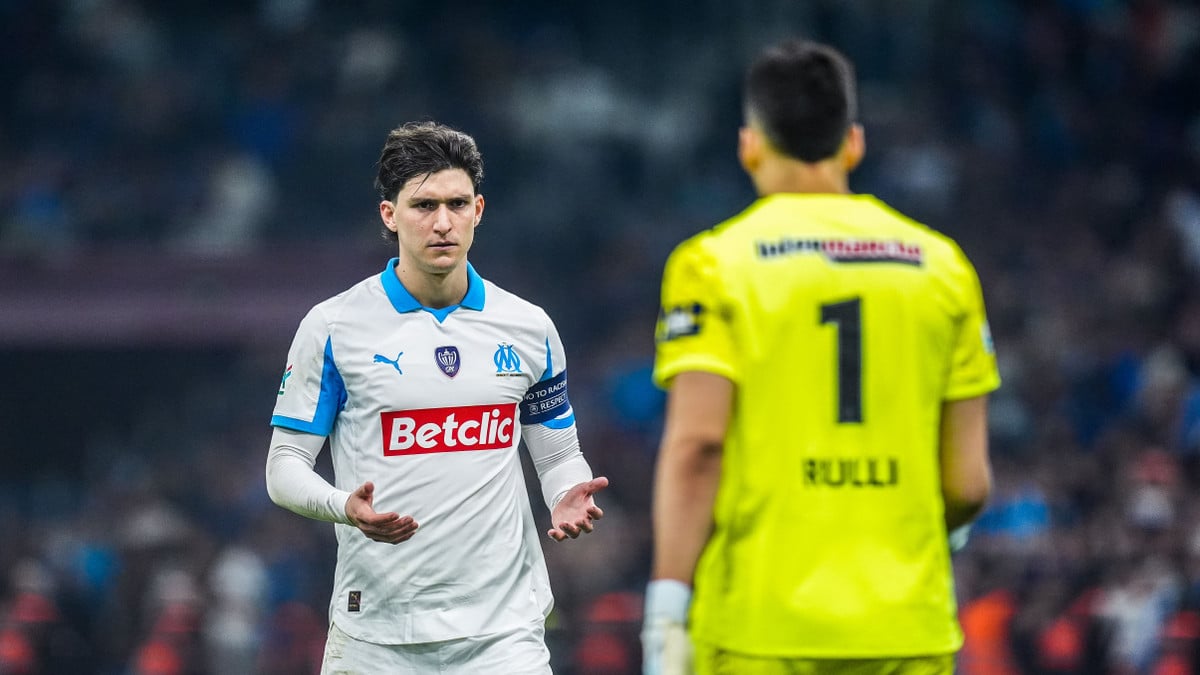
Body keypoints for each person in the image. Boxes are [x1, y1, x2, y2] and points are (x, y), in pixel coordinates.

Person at [642, 39, 1001, 675]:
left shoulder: (714, 265)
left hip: (759, 628)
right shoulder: (943, 267)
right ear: (853, 144)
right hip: (906, 627)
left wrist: (668, 606)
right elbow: (967, 483)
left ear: (750, 145)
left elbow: (698, 448)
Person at [266, 120, 608, 674]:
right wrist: (343, 507)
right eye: (424, 206)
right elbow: (284, 465)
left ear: (479, 209)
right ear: (389, 214)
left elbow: (558, 454)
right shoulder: (334, 327)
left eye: (457, 204)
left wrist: (567, 491)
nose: (443, 222)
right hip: (376, 637)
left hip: (504, 636)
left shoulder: (529, 327)